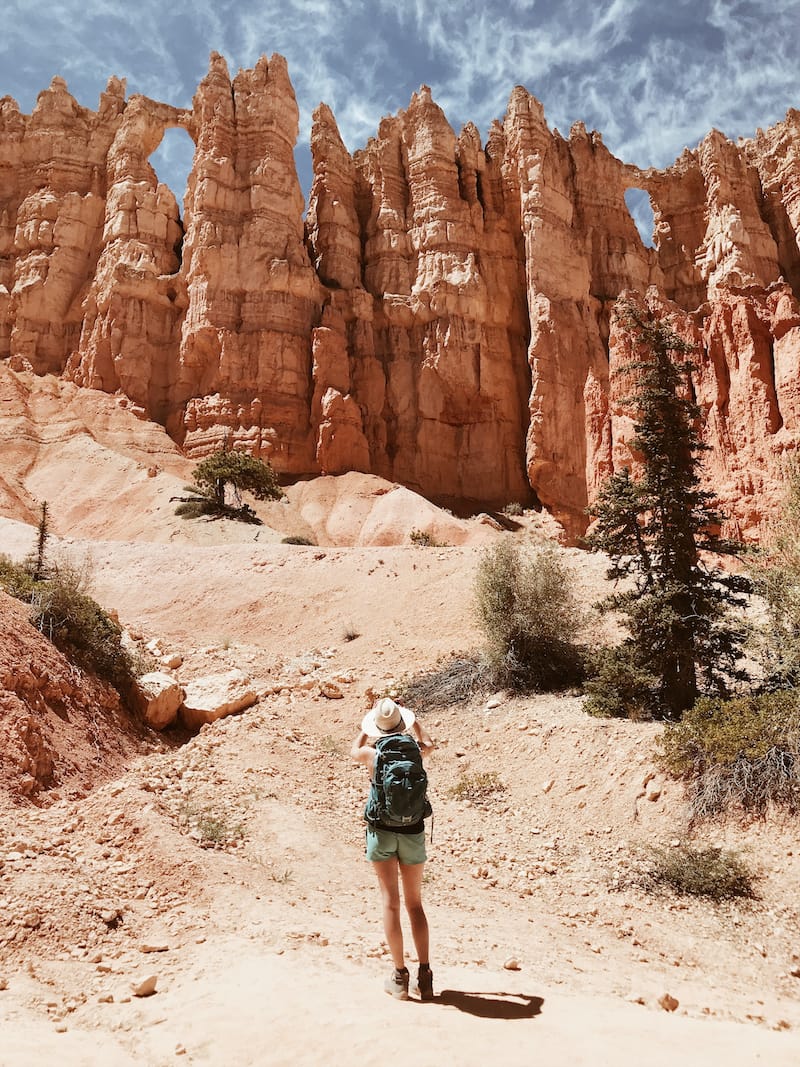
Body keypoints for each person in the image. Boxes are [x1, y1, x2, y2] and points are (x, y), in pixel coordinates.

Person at [351, 696, 435, 1001]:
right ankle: (425, 977)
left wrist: (365, 725)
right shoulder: (416, 752)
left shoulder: (374, 755)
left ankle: (400, 977)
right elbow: (430, 743)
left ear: (378, 728)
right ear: (403, 723)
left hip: (382, 832)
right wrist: (416, 723)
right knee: (415, 905)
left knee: (390, 902)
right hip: (413, 832)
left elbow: (352, 750)